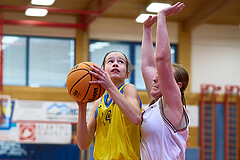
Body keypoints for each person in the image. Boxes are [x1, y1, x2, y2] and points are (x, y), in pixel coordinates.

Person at [140, 2, 189, 160]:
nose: (155, 77)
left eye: (161, 76)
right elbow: (148, 65)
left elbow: (161, 60)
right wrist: (146, 30)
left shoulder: (173, 104)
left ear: (177, 86)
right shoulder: (156, 104)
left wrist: (161, 17)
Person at [74, 51, 142, 159]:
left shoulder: (128, 89)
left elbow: (136, 118)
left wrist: (109, 86)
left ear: (127, 74)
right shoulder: (98, 103)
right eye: (110, 61)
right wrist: (82, 108)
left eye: (120, 62)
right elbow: (83, 144)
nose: (115, 64)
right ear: (103, 70)